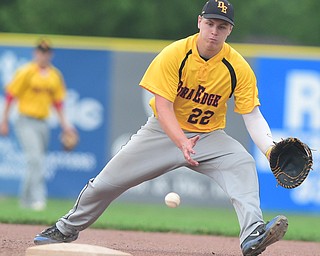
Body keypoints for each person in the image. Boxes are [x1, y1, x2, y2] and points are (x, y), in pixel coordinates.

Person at [33, 0, 288, 255]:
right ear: (199, 22)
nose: (214, 31)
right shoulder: (175, 54)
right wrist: (181, 141)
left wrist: (269, 149)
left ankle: (252, 234)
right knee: (105, 183)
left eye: (221, 26)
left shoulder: (237, 67)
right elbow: (163, 107)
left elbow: (252, 115)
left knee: (242, 162)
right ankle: (65, 228)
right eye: (209, 23)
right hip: (162, 133)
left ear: (229, 30)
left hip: (208, 137)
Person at [0, 38, 75, 211]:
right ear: (35, 53)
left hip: (43, 123)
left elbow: (58, 103)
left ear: (51, 54)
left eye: (46, 52)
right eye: (41, 52)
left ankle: (25, 199)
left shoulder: (55, 75)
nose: (43, 55)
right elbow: (11, 96)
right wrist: (3, 120)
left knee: (36, 161)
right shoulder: (26, 71)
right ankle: (38, 198)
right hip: (25, 120)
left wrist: (66, 125)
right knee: (35, 159)